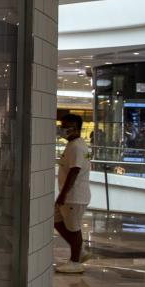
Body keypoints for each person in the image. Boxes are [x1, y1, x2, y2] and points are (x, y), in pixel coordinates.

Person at [54, 113, 91, 273]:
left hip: (74, 197)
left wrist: (63, 194)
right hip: (71, 196)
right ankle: (79, 251)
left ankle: (75, 262)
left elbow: (74, 171)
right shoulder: (74, 144)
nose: (62, 129)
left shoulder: (77, 147)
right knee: (56, 219)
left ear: (74, 128)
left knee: (74, 228)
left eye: (65, 126)